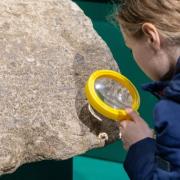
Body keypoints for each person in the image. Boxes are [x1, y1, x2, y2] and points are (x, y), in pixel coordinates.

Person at [115, 0, 180, 179]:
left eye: (131, 49)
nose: (133, 56)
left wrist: (140, 145)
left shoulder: (173, 108)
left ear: (151, 36)